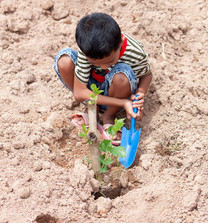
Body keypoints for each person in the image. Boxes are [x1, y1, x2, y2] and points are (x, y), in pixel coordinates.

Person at [53, 12, 152, 145]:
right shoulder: (88, 49)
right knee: (64, 61)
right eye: (95, 63)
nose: (103, 66)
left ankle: (109, 115)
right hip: (95, 89)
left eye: (110, 61)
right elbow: (80, 92)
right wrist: (123, 103)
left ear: (121, 43)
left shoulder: (135, 53)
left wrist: (139, 95)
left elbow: (147, 75)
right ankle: (91, 107)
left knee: (122, 75)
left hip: (117, 90)